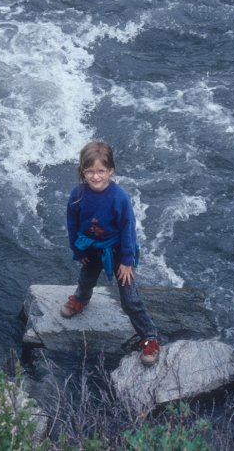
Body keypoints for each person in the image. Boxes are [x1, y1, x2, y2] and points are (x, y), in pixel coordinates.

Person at [62, 140, 160, 366]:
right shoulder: (77, 194)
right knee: (86, 279)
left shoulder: (120, 198)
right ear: (82, 172)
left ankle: (149, 337)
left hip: (117, 250)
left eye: (101, 171)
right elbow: (72, 222)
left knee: (129, 298)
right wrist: (77, 249)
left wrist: (127, 260)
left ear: (111, 171)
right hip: (91, 247)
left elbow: (128, 228)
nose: (95, 177)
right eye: (90, 171)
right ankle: (80, 300)